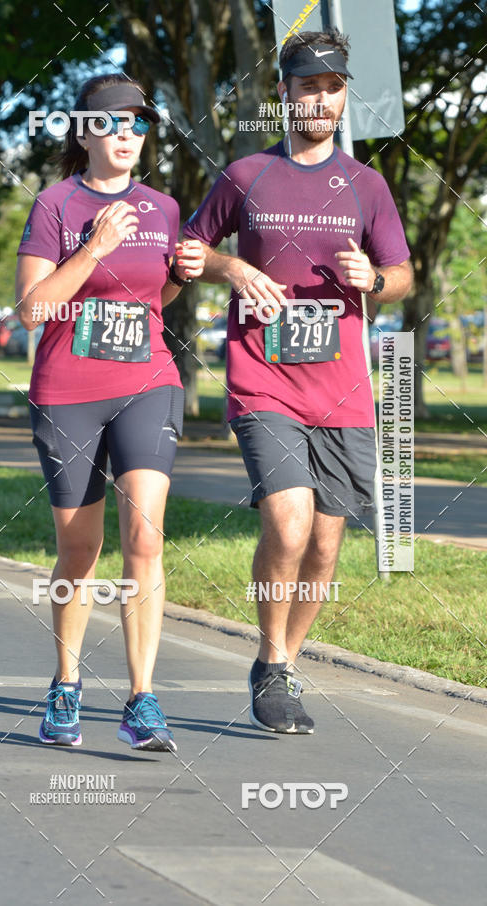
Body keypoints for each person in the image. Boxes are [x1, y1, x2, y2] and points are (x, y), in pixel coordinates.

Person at [183, 30, 413, 734]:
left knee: (325, 543)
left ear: (346, 96)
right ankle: (270, 654)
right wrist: (235, 268)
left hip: (341, 388)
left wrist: (372, 279)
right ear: (283, 93)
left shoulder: (367, 186)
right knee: (288, 518)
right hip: (263, 380)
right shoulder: (245, 175)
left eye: (333, 86)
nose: (321, 98)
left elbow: (402, 276)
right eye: (308, 85)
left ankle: (280, 661)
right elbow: (187, 252)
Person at [15, 74, 204, 751]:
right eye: (116, 123)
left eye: (140, 124)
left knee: (146, 538)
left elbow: (159, 300)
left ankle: (142, 700)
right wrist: (92, 248)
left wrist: (182, 273)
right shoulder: (55, 205)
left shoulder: (163, 205)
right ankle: (65, 684)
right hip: (67, 391)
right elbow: (33, 308)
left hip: (148, 381)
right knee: (80, 547)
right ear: (85, 131)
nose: (129, 134)